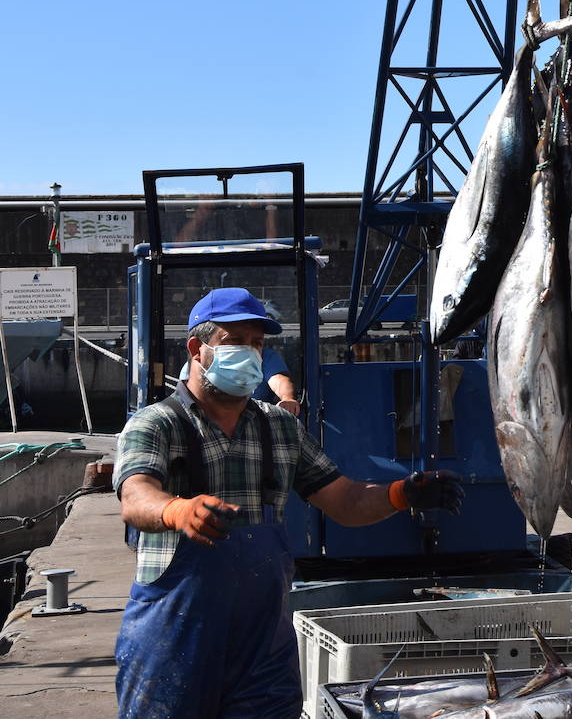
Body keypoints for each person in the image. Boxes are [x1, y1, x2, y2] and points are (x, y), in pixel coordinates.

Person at [113, 287, 463, 719]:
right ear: (196, 349)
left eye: (258, 344)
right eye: (235, 342)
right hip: (174, 641)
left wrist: (402, 493)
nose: (250, 353)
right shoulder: (156, 423)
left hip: (263, 649)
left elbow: (346, 500)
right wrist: (177, 511)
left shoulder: (280, 427)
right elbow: (135, 496)